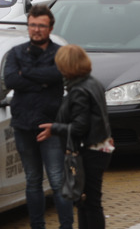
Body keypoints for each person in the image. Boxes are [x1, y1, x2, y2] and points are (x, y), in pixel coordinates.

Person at [4, 5, 74, 229]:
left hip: (50, 126)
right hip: (23, 125)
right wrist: (42, 82)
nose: (36, 30)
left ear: (50, 28)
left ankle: (66, 226)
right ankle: (37, 226)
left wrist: (28, 75)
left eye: (41, 26)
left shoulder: (60, 54)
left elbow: (57, 74)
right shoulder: (15, 52)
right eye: (32, 25)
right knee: (32, 180)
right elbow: (11, 80)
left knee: (56, 179)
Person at [38, 45, 113, 229]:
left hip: (90, 151)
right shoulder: (92, 82)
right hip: (100, 147)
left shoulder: (79, 90)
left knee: (90, 201)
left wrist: (54, 128)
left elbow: (80, 126)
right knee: (85, 200)